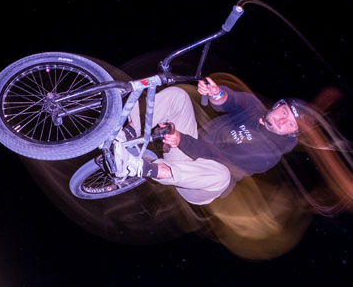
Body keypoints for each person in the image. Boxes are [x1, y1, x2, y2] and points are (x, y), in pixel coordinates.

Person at [105, 78, 304, 205]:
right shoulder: (253, 108)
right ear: (278, 106)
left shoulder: (269, 155)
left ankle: (141, 168)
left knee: (222, 175)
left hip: (201, 183)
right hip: (186, 149)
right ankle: (128, 134)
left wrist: (181, 139)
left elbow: (219, 158)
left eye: (290, 124)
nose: (282, 120)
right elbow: (231, 100)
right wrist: (215, 93)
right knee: (178, 96)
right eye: (285, 112)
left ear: (290, 133)